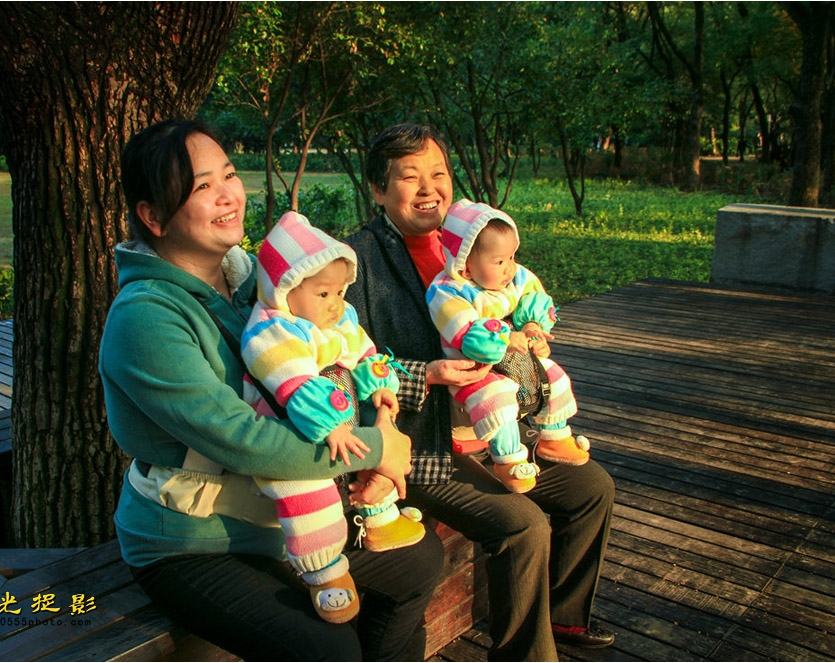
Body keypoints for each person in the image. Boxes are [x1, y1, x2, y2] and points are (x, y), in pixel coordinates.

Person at [98, 118, 444, 661]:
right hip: (195, 539)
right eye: (202, 186)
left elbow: (336, 353)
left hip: (277, 513)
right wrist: (379, 450)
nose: (227, 195)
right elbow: (243, 439)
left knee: (417, 564)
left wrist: (381, 421)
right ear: (153, 215)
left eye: (229, 175)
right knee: (327, 650)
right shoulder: (146, 318)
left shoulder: (256, 283)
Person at [344, 123, 616, 661]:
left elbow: (514, 306)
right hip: (422, 444)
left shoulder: (473, 238)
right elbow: (347, 370)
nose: (429, 188)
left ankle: (561, 616)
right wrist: (428, 375)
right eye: (409, 177)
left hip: (496, 425)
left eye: (438, 173)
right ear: (377, 189)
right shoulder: (357, 263)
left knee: (591, 488)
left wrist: (528, 335)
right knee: (523, 525)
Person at [240, 210, 426, 624]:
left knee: (367, 454)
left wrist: (378, 383)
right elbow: (293, 380)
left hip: (341, 419)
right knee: (308, 495)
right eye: (323, 293)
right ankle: (323, 571)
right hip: (290, 433)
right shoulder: (272, 329)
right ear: (283, 290)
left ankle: (379, 518)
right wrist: (330, 424)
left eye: (340, 291)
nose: (336, 303)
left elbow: (364, 351)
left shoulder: (337, 320)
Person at [425, 199, 592, 494]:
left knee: (554, 375)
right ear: (466, 267)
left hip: (518, 362)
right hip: (476, 372)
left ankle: (554, 435)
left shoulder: (514, 278)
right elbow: (467, 333)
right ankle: (509, 460)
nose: (510, 268)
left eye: (512, 256)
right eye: (499, 261)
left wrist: (533, 326)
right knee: (498, 400)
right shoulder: (448, 291)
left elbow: (534, 296)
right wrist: (505, 337)